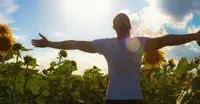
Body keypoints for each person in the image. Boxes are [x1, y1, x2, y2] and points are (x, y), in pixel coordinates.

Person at [32, 13, 200, 104]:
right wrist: (194, 35)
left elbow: (75, 44)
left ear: (114, 27)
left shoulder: (106, 45)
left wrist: (49, 44)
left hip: (114, 99)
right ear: (129, 26)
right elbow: (167, 39)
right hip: (133, 99)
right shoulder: (138, 43)